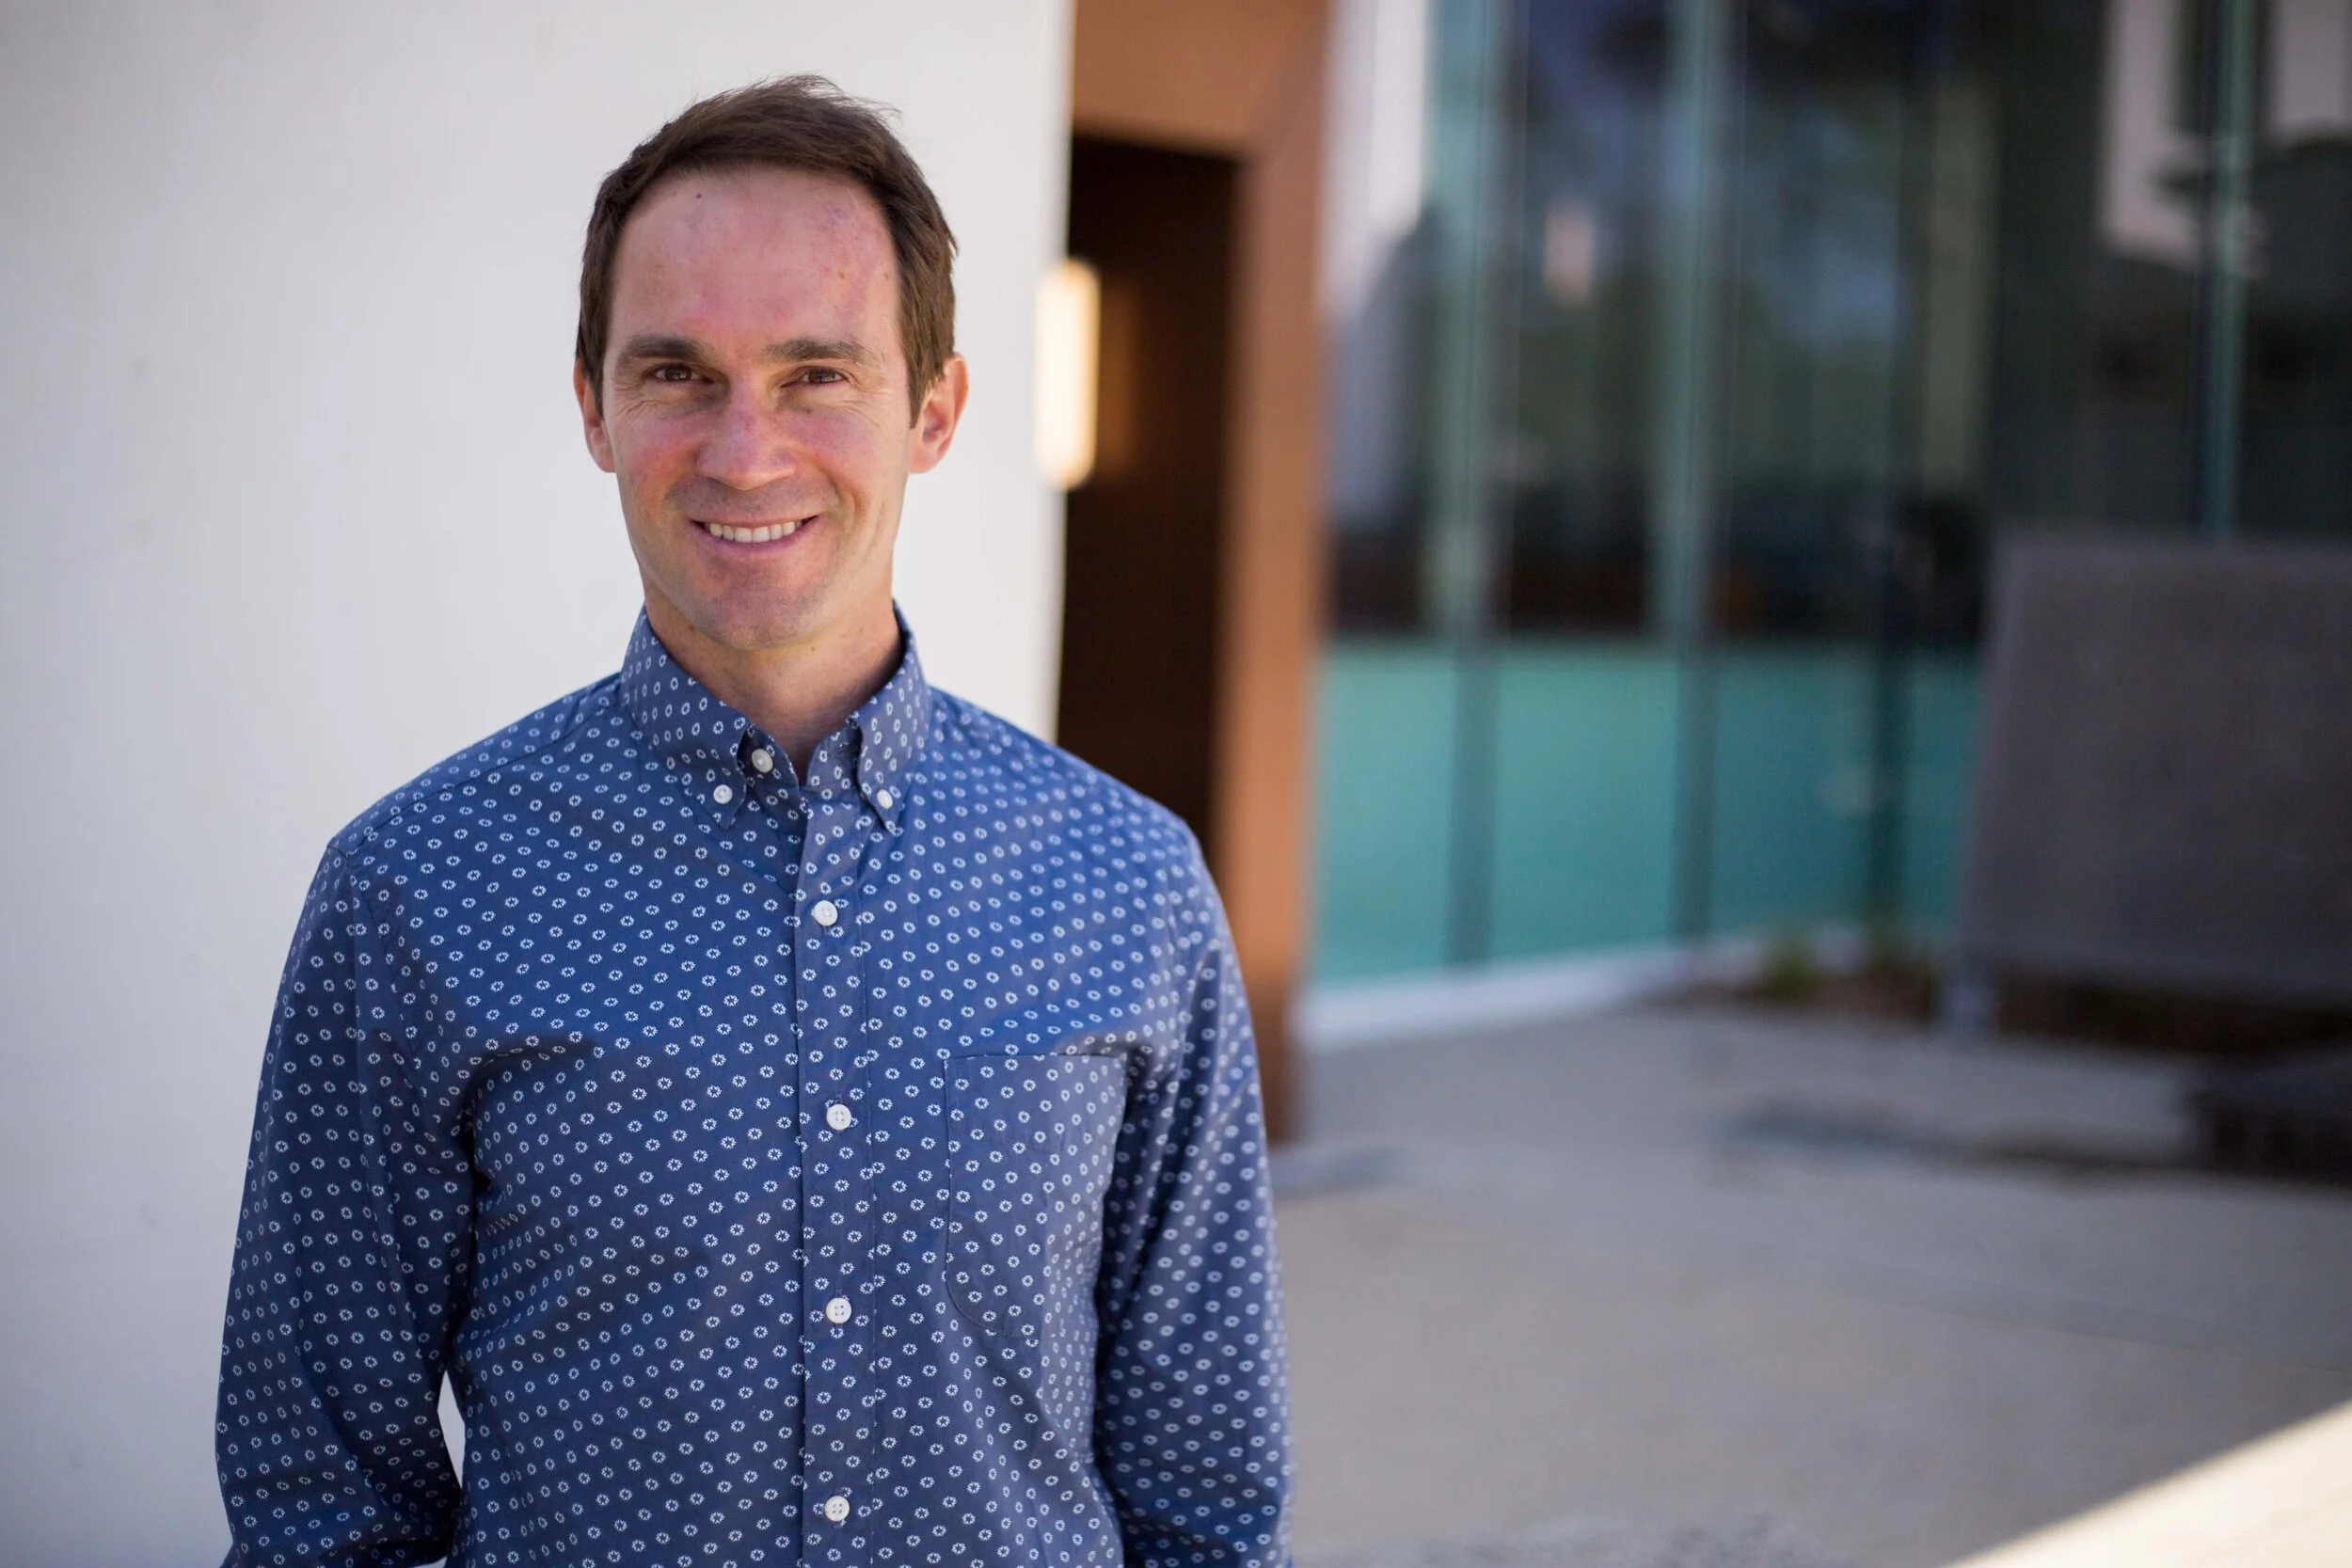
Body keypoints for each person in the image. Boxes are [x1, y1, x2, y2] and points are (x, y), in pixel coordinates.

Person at [215, 76, 1290, 1568]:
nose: (743, 449)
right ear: (593, 406)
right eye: (676, 374)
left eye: (815, 374)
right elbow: (318, 1506)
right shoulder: (415, 888)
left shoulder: (1130, 883)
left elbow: (1209, 1502)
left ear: (934, 409)